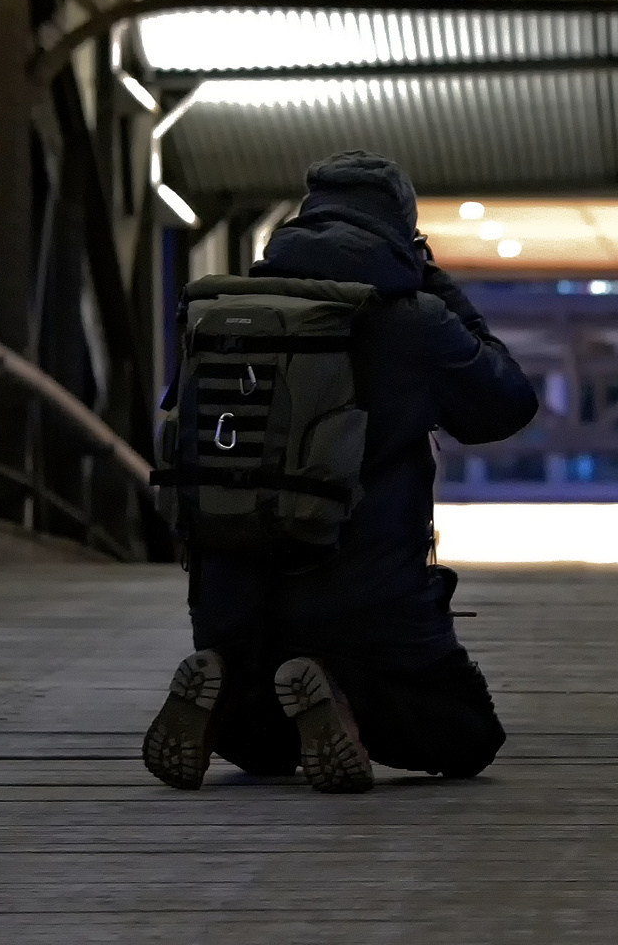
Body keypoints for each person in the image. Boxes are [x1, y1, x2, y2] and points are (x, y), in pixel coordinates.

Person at [141, 150, 539, 794]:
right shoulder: (411, 321)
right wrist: (429, 279)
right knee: (465, 735)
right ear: (401, 234)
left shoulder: (224, 313)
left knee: (267, 752)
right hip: (367, 601)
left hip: (227, 598)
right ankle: (342, 701)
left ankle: (223, 700)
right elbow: (507, 405)